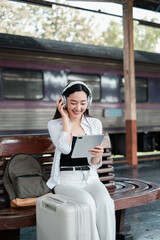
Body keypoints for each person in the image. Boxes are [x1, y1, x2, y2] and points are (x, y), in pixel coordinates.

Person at [47, 81, 115, 240]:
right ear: (64, 101)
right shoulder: (54, 124)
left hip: (90, 178)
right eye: (73, 103)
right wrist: (65, 119)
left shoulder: (94, 123)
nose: (78, 108)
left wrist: (98, 155)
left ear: (88, 103)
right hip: (65, 181)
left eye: (83, 103)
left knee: (106, 203)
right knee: (87, 203)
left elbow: (94, 163)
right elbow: (64, 148)